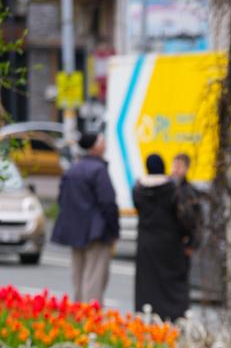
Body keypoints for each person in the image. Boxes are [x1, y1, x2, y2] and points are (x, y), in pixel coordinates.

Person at [50, 132, 118, 304]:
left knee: (78, 277)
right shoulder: (99, 170)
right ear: (94, 146)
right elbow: (108, 203)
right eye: (102, 140)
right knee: (94, 278)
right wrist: (114, 231)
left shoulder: (73, 168)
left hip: (75, 231)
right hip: (97, 231)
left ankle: (77, 317)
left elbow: (62, 199)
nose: (105, 144)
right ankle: (90, 319)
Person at [133, 154, 194, 321]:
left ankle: (147, 317)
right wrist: (189, 238)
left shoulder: (138, 189)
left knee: (148, 284)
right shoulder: (172, 190)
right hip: (170, 243)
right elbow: (185, 217)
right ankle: (172, 319)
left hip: (146, 243)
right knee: (171, 285)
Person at [170, 152, 202, 254]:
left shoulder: (191, 193)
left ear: (186, 169)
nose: (175, 169)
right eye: (174, 165)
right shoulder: (165, 188)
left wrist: (192, 245)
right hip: (164, 241)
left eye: (179, 166)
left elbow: (198, 221)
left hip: (181, 243)